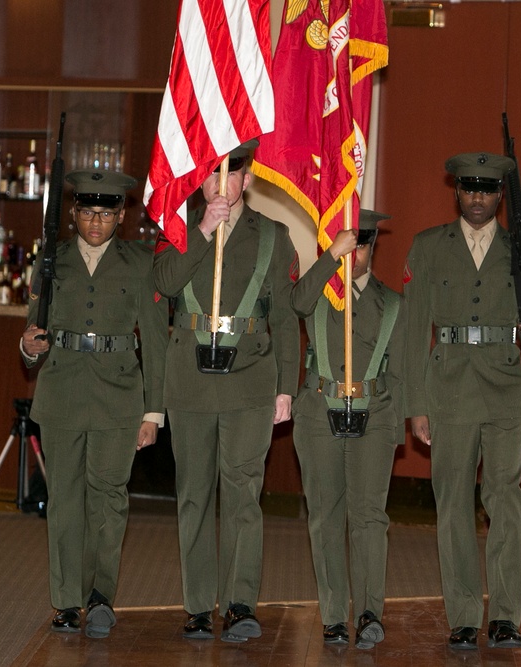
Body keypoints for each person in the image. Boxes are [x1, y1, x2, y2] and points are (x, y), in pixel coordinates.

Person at [152, 139, 300, 643]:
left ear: (248, 178)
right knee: (194, 494)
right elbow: (167, 283)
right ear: (202, 179)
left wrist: (287, 389)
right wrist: (203, 231)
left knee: (243, 495)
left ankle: (239, 603)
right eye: (216, 175)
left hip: (251, 380)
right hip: (190, 380)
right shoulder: (180, 229)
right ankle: (197, 606)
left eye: (233, 175)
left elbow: (283, 317)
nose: (224, 184)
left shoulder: (274, 237)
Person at [403, 152, 521, 650]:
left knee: (506, 501)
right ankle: (464, 615)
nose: (478, 199)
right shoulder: (428, 248)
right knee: (452, 507)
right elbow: (410, 331)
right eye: (469, 189)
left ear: (500, 197)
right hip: (446, 390)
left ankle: (506, 616)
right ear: (457, 192)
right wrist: (415, 403)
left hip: (506, 389)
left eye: (487, 191)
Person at [20, 169, 168, 639]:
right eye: (87, 213)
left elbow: (158, 343)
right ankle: (66, 601)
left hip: (119, 396)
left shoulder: (141, 263)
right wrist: (28, 347)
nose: (96, 223)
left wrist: (153, 412)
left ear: (121, 216)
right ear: (74, 215)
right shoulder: (52, 259)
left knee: (109, 499)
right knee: (64, 500)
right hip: (62, 390)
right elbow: (30, 332)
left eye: (106, 214)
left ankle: (101, 595)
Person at [290, 209, 406, 649]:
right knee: (325, 516)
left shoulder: (393, 303)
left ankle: (369, 612)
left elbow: (401, 375)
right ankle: (335, 616)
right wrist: (327, 258)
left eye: (356, 245)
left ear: (370, 247)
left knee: (369, 518)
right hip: (319, 412)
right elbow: (295, 301)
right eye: (343, 244)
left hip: (374, 416)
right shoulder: (319, 293)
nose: (349, 254)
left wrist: (395, 427)